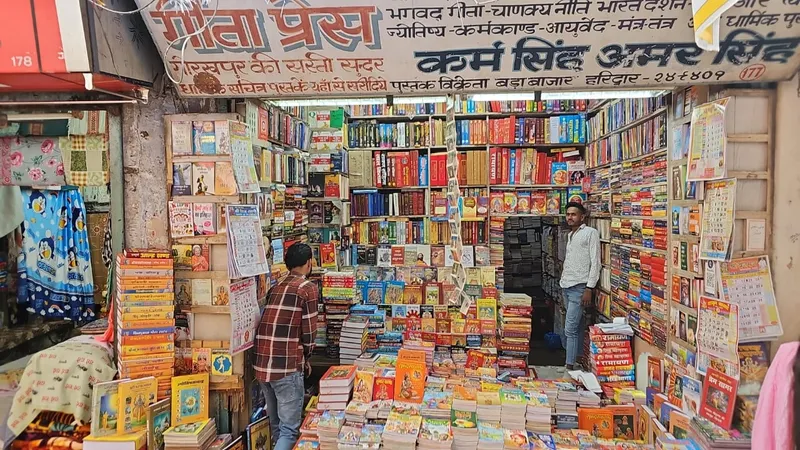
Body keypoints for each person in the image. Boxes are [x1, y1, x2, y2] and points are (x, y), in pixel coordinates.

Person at [254, 243, 319, 450]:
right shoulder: (307, 288)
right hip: (286, 366)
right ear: (309, 263)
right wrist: (306, 357)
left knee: (277, 427)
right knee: (290, 430)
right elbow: (309, 333)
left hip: (263, 364)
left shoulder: (276, 287)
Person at [560, 202, 601, 370]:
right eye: (568, 214)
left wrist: (589, 288)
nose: (570, 217)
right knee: (575, 326)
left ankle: (569, 365)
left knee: (569, 328)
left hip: (580, 287)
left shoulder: (590, 233)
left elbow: (595, 262)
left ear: (582, 217)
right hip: (566, 285)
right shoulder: (570, 235)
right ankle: (577, 361)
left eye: (574, 214)